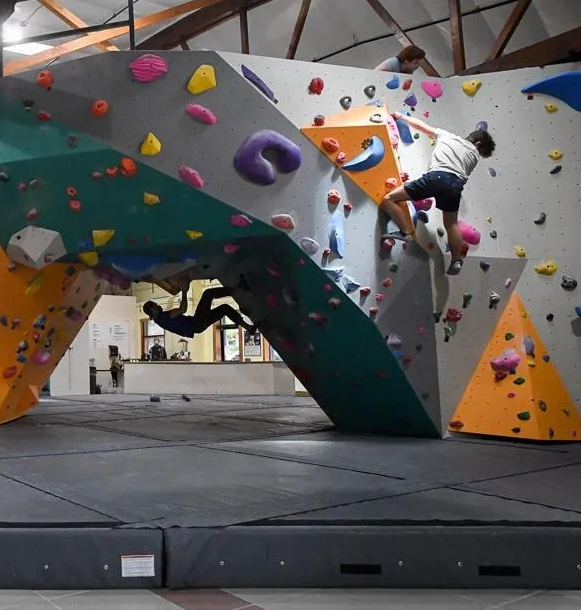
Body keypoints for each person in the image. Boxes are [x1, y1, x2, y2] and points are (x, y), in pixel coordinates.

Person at [381, 112, 496, 276]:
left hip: (437, 177)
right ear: (477, 145)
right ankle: (456, 260)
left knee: (389, 199)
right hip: (455, 186)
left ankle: (405, 231)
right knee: (451, 225)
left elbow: (420, 126)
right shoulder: (474, 156)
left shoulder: (446, 136)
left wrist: (401, 117)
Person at [143, 280, 256, 339]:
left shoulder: (160, 320)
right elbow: (183, 309)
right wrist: (184, 290)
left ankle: (249, 328)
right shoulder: (163, 317)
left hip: (196, 326)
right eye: (155, 305)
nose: (158, 305)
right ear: (152, 310)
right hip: (195, 323)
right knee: (207, 294)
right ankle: (237, 289)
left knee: (224, 308)